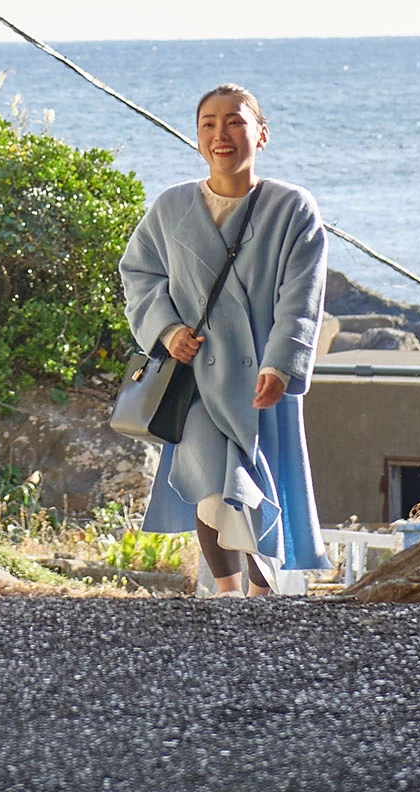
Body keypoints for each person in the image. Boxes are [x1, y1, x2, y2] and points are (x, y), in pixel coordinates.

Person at [117, 83, 328, 594]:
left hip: (259, 377)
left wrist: (281, 366)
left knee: (258, 482)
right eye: (208, 124)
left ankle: (262, 589)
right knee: (210, 481)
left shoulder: (292, 208)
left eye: (234, 121)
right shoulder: (171, 208)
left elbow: (301, 296)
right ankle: (232, 593)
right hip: (196, 377)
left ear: (261, 133)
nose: (221, 134)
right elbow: (139, 274)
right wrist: (167, 331)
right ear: (197, 137)